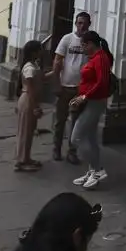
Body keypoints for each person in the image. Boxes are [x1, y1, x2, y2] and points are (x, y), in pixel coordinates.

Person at [70, 32, 113, 191]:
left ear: (91, 44)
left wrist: (85, 96)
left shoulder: (101, 58)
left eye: (84, 44)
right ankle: (92, 171)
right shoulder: (94, 58)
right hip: (89, 100)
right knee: (90, 138)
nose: (82, 47)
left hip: (95, 102)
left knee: (77, 137)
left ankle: (98, 169)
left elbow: (102, 82)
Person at [50, 12, 92, 164]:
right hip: (65, 86)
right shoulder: (67, 39)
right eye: (79, 23)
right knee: (60, 120)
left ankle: (72, 151)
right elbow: (57, 61)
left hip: (81, 89)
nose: (81, 27)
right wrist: (56, 83)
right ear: (75, 23)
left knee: (76, 122)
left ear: (89, 25)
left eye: (84, 24)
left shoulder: (90, 42)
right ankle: (56, 148)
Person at [14, 39, 48, 172]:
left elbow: (42, 79)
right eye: (40, 49)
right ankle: (21, 161)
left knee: (29, 132)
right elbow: (30, 89)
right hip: (28, 101)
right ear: (34, 52)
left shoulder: (34, 65)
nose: (42, 51)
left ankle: (26, 157)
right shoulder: (29, 68)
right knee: (25, 132)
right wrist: (35, 107)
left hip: (30, 100)